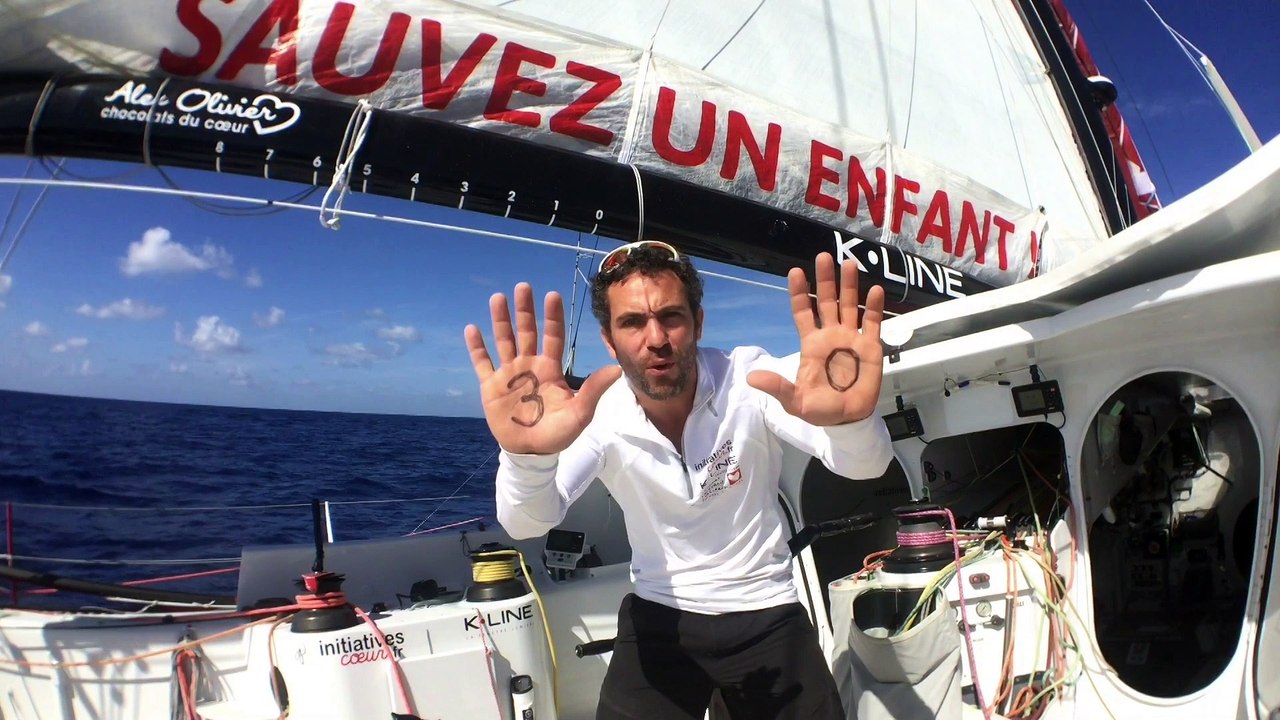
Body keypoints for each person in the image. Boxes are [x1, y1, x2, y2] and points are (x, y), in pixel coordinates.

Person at [464, 242, 894, 720]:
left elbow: (864, 467)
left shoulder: (749, 379)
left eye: (671, 316)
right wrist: (527, 456)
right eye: (632, 323)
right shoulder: (600, 413)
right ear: (609, 339)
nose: (656, 338)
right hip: (659, 618)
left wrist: (852, 422)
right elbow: (528, 523)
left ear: (698, 323)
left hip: (766, 612)